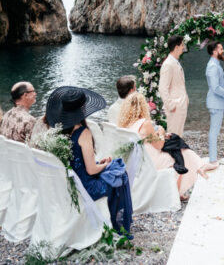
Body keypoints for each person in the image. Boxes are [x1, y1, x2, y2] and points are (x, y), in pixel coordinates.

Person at [46, 86, 133, 235]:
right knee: (120, 175)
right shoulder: (82, 132)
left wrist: (101, 164)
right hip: (87, 187)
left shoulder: (60, 131)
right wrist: (104, 164)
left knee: (113, 169)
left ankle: (117, 220)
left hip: (72, 183)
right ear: (82, 109)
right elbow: (91, 170)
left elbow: (78, 163)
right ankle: (119, 225)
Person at [118, 92, 213, 199]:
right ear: (142, 106)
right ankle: (179, 191)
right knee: (180, 155)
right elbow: (159, 145)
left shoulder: (125, 125)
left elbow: (146, 139)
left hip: (139, 159)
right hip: (150, 160)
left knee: (178, 150)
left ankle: (200, 167)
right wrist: (162, 132)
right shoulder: (145, 123)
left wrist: (157, 134)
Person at [206, 41, 224, 166]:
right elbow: (215, 88)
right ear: (215, 51)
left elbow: (218, 84)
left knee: (215, 130)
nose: (223, 51)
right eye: (221, 49)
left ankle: (214, 157)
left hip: (217, 102)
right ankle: (213, 159)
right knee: (214, 131)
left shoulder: (215, 64)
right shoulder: (213, 66)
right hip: (216, 103)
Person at [159, 35, 190, 136]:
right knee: (173, 135)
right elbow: (163, 88)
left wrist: (185, 100)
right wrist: (171, 105)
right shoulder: (168, 64)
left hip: (180, 105)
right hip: (174, 107)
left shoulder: (175, 62)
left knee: (178, 135)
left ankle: (177, 151)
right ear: (176, 47)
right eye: (182, 45)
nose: (183, 47)